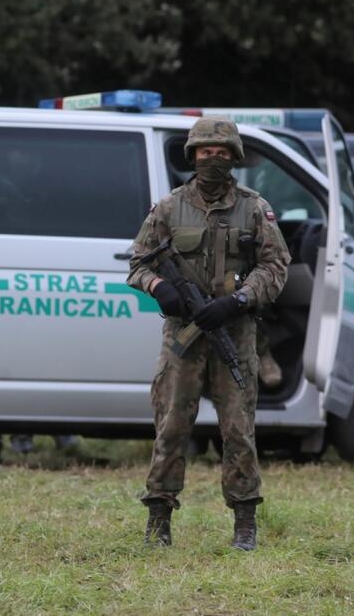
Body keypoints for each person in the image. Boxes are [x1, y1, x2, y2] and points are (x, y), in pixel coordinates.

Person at [127, 116, 290, 551]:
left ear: (234, 157)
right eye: (204, 151)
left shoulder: (254, 208)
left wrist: (239, 300)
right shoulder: (168, 207)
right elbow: (139, 263)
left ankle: (245, 522)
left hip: (233, 333)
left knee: (238, 430)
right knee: (172, 427)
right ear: (192, 156)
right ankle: (159, 519)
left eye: (220, 152)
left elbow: (275, 266)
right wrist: (160, 288)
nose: (212, 158)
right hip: (183, 336)